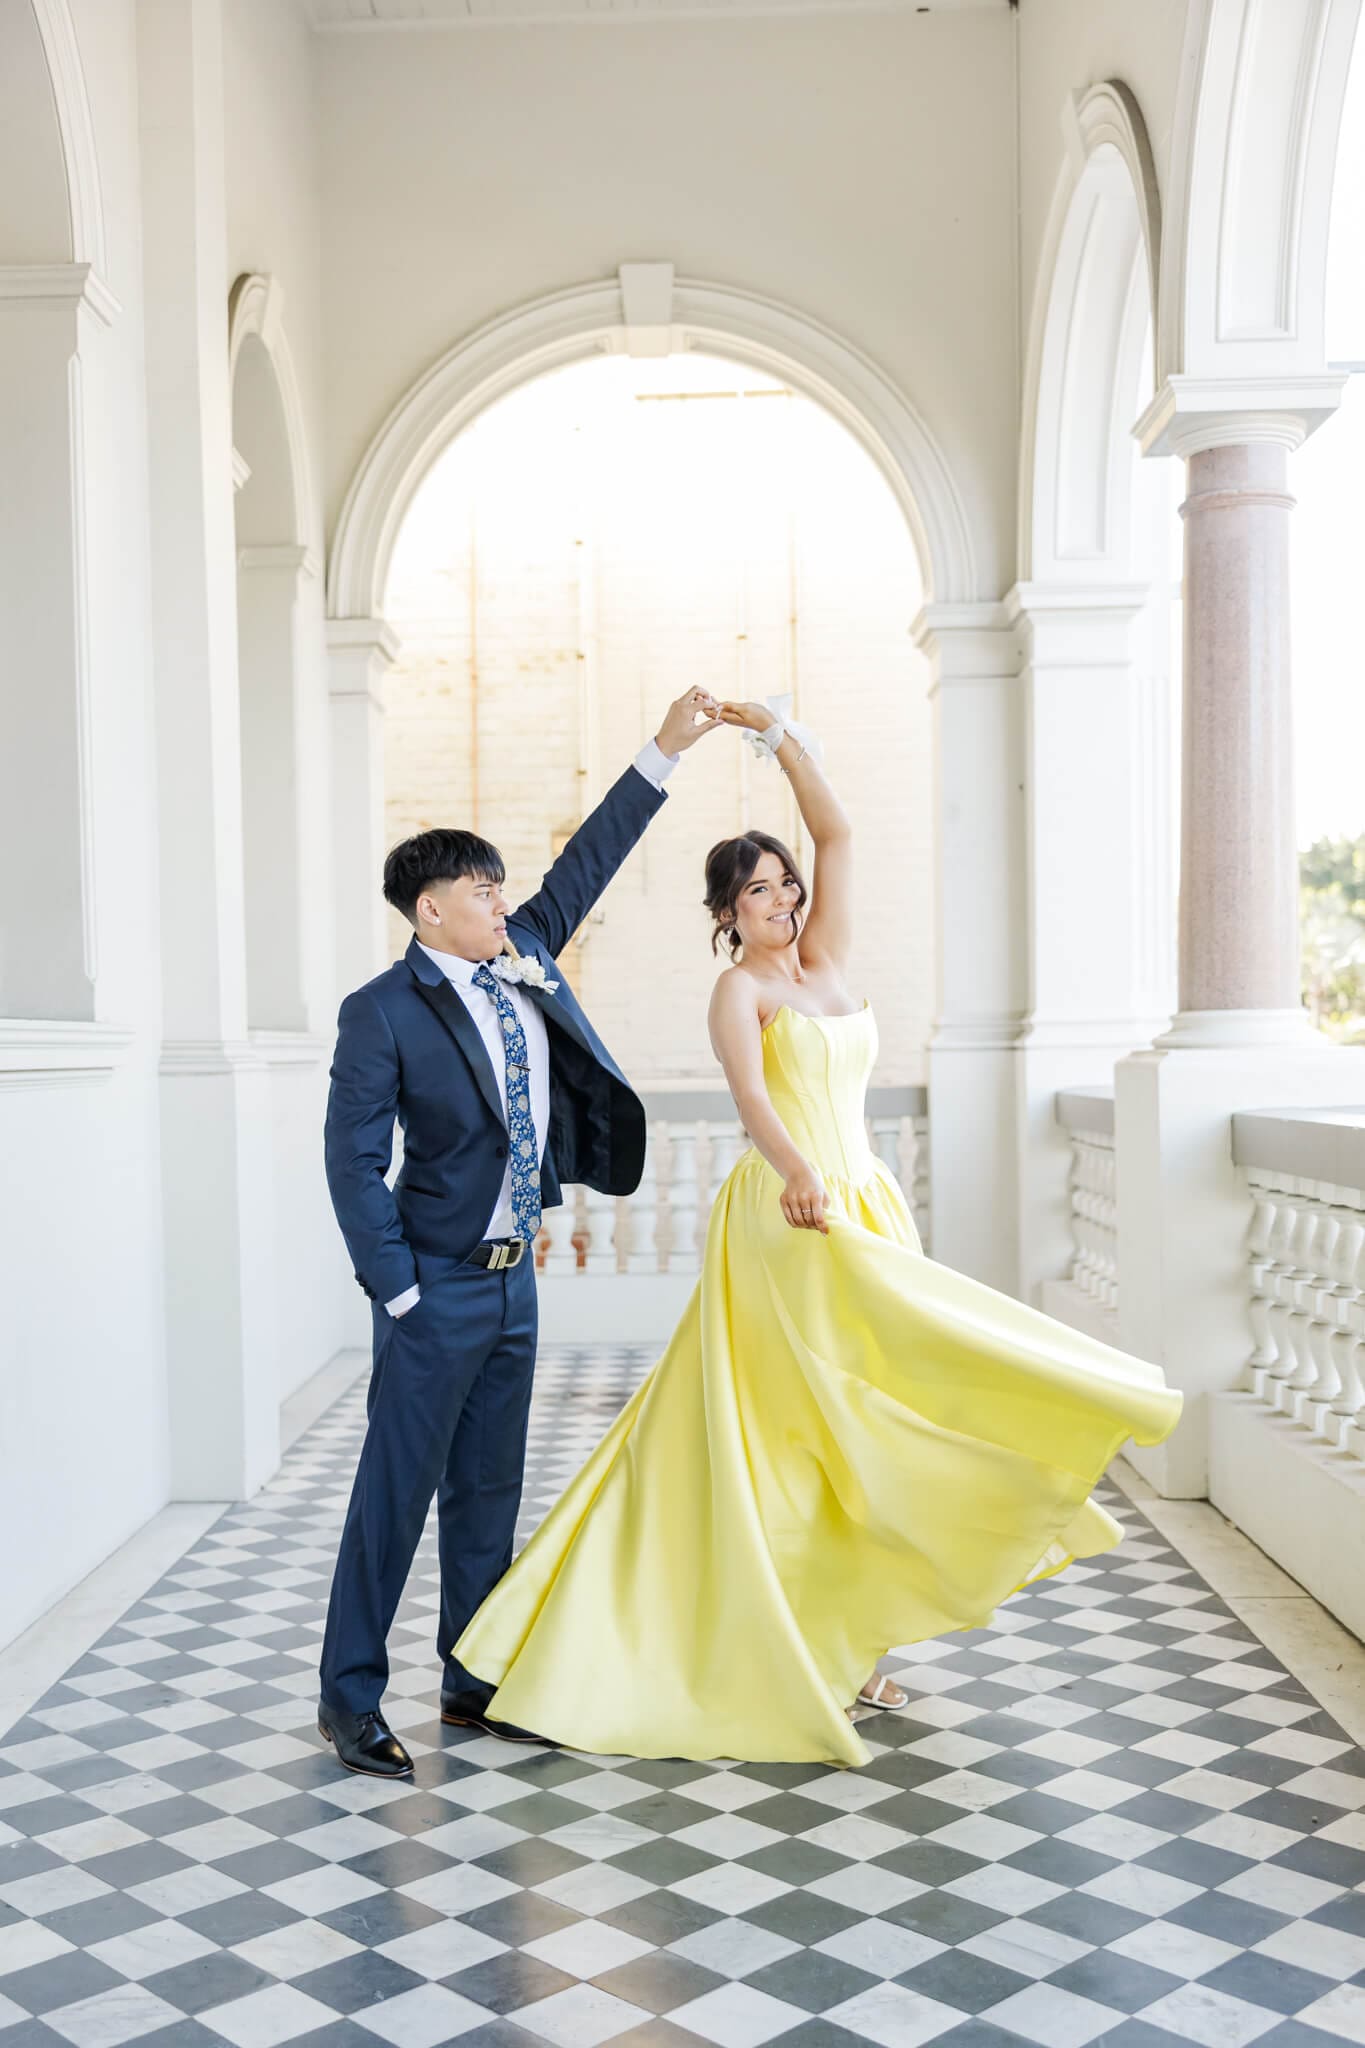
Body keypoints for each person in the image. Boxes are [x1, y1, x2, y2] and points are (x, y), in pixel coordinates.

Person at [453, 700, 1183, 1767]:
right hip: (791, 1216)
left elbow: (838, 831)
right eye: (758, 889)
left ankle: (853, 1629)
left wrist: (777, 734)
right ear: (726, 911)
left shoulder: (827, 957)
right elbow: (753, 1100)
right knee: (802, 1434)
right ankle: (776, 1638)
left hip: (868, 1200)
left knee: (879, 1424)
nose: (784, 898)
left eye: (786, 882)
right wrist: (799, 1172)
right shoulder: (736, 989)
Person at [317, 687, 724, 1778]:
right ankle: (349, 1695)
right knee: (395, 1496)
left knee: (490, 1489)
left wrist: (664, 750)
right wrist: (398, 1289)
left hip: (513, 1281)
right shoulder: (382, 1010)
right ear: (427, 910)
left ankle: (471, 1675)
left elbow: (591, 858)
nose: (501, 897)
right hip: (433, 1285)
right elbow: (351, 1161)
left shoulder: (523, 949)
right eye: (478, 886)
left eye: (501, 883)